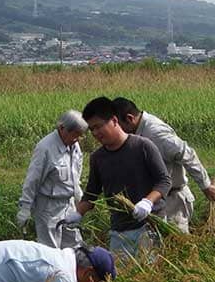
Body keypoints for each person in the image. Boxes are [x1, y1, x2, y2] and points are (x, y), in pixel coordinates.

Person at [68, 97, 172, 258]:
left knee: (150, 275)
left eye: (98, 127)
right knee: (120, 276)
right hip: (119, 230)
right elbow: (92, 193)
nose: (95, 133)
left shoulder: (143, 146)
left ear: (114, 120)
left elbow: (164, 181)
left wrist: (148, 202)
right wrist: (78, 213)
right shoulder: (98, 158)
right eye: (91, 129)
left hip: (149, 226)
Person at [113, 97, 215, 233]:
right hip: (154, 201)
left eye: (117, 125)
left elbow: (187, 154)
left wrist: (206, 185)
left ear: (129, 119)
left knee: (176, 246)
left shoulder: (156, 134)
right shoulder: (137, 133)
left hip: (172, 202)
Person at [16, 110, 87, 248]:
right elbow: (32, 180)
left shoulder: (75, 146)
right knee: (51, 250)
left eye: (80, 135)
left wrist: (77, 191)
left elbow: (76, 171)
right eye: (75, 134)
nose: (77, 139)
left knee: (75, 246)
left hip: (69, 204)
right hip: (49, 207)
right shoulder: (45, 148)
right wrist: (25, 207)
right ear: (62, 128)